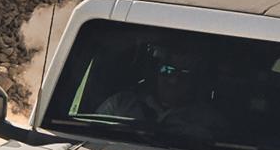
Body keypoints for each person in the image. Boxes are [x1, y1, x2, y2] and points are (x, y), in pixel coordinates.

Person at [93, 46, 223, 138]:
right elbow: (92, 132)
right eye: (167, 70)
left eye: (184, 74)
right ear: (155, 72)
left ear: (195, 80)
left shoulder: (209, 121)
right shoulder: (120, 104)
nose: (173, 80)